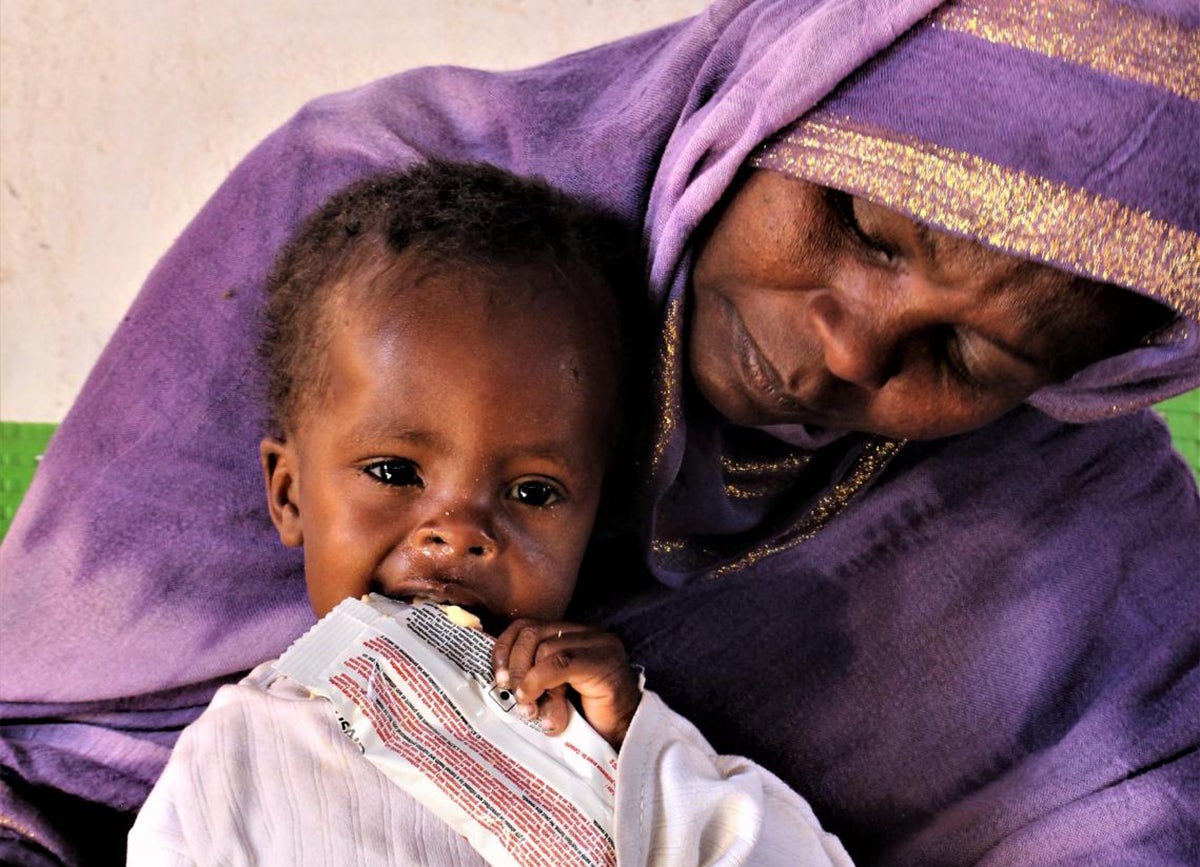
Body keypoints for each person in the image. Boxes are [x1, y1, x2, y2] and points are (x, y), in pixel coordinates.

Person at [1, 0, 1196, 864]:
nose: (849, 348)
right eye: (864, 228)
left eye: (969, 357)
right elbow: (50, 753)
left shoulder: (1081, 515)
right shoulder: (369, 235)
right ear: (785, 86)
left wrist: (640, 752)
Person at [123, 161, 850, 866]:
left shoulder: (597, 735)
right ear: (289, 495)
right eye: (394, 471)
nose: (460, 531)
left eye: (533, 492)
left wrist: (636, 745)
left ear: (596, 519)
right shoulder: (233, 757)